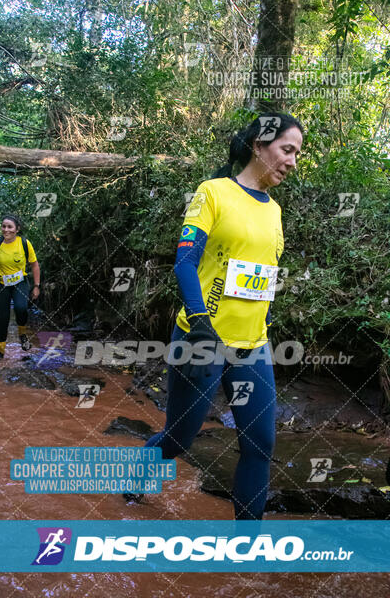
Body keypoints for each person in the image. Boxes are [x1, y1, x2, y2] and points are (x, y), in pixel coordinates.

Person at [131, 112, 303, 519]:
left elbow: (260, 278)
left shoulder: (275, 211)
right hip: (201, 341)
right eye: (287, 149)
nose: (293, 161)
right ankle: (137, 475)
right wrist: (202, 323)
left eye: (297, 153)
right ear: (259, 147)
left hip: (253, 347)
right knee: (179, 439)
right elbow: (185, 263)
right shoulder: (212, 193)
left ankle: (247, 551)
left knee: (260, 444)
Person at [0, 215, 40, 360]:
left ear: (17, 229)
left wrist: (36, 286)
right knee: (3, 318)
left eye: (10, 227)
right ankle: (0, 352)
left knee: (21, 308)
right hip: (1, 284)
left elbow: (34, 264)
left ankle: (22, 334)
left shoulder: (24, 243)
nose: (6, 230)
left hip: (20, 283)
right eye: (4, 226)